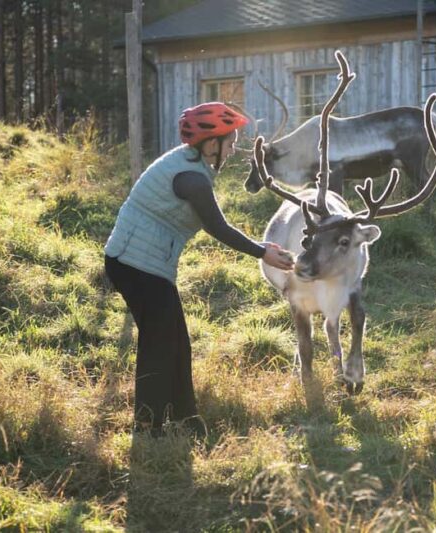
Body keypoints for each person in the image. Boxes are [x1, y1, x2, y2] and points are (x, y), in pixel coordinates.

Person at [104, 102, 294, 437]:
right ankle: (149, 427)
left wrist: (261, 249)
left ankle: (184, 419)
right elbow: (217, 228)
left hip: (145, 263)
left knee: (176, 342)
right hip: (135, 265)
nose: (233, 150)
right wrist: (262, 252)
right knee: (159, 344)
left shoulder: (189, 163)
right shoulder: (192, 179)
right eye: (230, 143)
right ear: (211, 145)